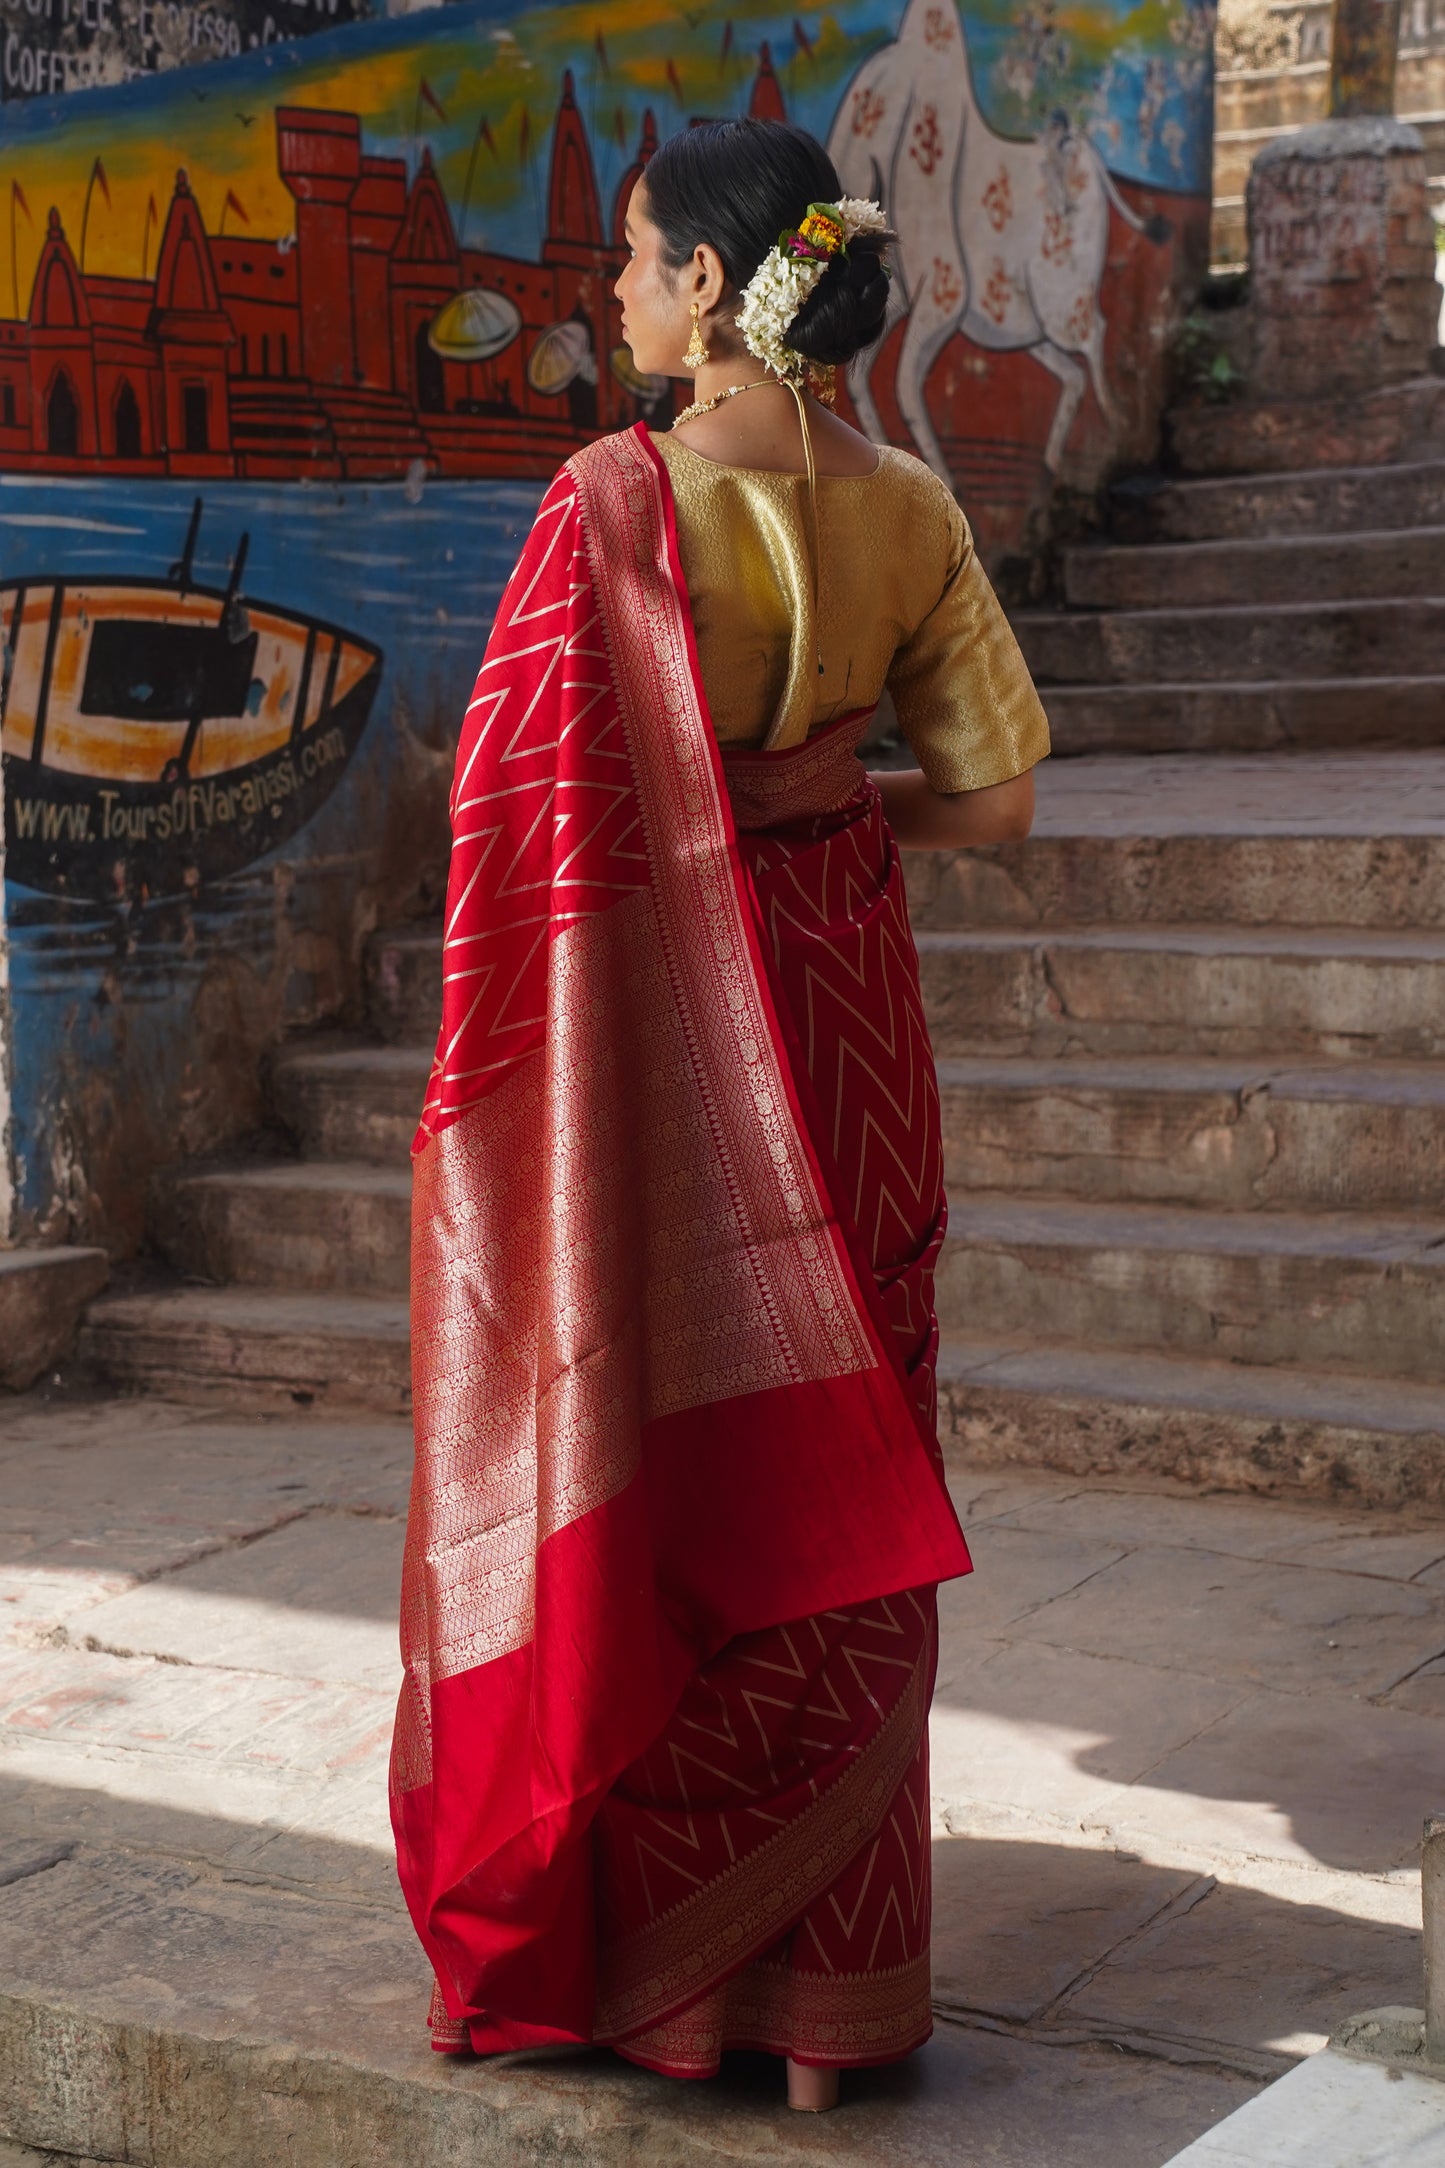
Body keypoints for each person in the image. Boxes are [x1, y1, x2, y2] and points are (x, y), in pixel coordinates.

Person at [392, 115, 1050, 2115]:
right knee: (847, 1440)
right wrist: (829, 826)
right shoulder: (910, 504)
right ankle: (833, 2014)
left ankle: (666, 1985)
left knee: (671, 1441)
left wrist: (697, 852)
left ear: (708, 287)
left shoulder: (610, 502)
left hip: (667, 1042)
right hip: (845, 1020)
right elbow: (1000, 799)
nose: (607, 289)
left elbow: (509, 829)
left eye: (631, 255)